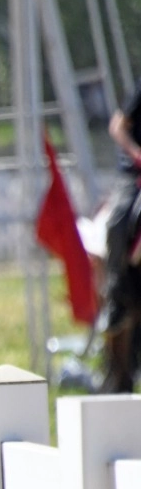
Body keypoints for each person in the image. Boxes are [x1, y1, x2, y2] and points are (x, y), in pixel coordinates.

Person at [101, 81, 141, 392]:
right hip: (136, 174)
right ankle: (116, 285)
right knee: (118, 221)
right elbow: (119, 125)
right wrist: (137, 153)